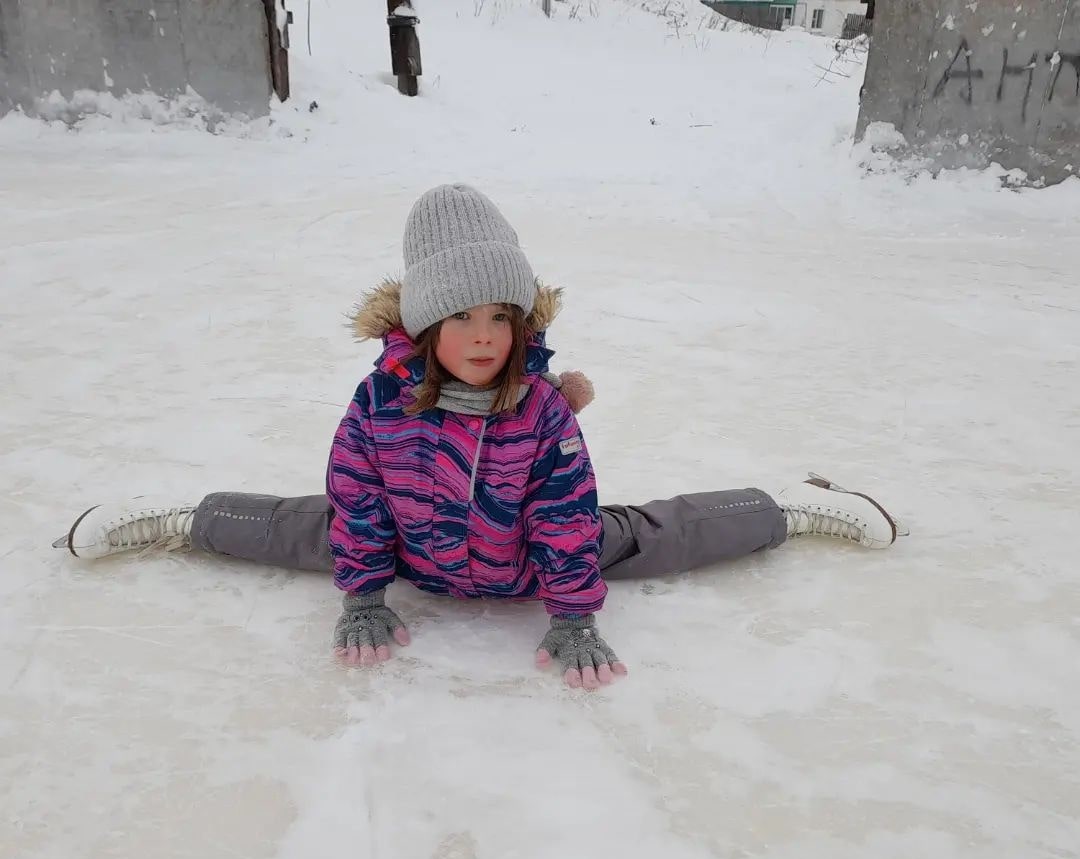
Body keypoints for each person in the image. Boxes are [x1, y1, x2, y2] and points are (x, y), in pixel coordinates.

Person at [55, 184, 906, 690]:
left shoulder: (538, 409)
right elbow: (356, 497)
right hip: (407, 546)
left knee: (655, 535)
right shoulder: (380, 401)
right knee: (301, 526)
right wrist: (362, 595)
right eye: (461, 315)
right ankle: (171, 518)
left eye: (501, 314)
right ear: (425, 324)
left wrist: (571, 616)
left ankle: (789, 508)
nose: (485, 334)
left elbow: (567, 518)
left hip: (525, 552)